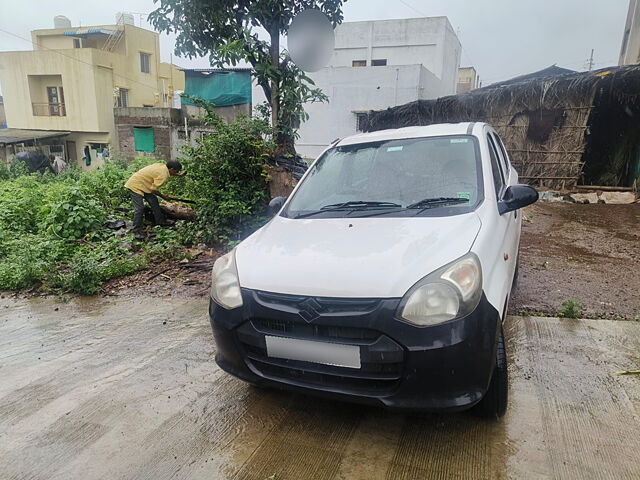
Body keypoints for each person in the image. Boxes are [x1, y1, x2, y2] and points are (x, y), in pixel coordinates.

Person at [124, 160, 184, 239]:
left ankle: (161, 222)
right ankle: (136, 231)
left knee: (154, 201)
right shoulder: (163, 175)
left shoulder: (162, 166)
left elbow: (153, 187)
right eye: (176, 171)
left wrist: (178, 175)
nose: (176, 172)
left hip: (144, 185)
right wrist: (163, 196)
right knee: (139, 209)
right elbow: (153, 190)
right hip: (135, 185)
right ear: (171, 169)